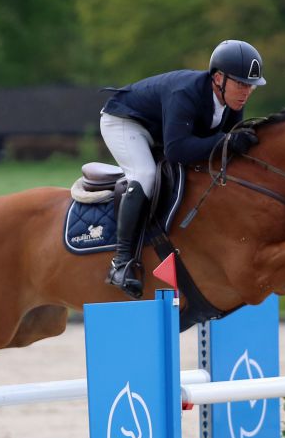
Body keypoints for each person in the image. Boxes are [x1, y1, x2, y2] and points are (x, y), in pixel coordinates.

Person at [98, 39, 266, 298]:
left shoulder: (231, 104)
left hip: (158, 129)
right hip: (124, 122)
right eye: (241, 84)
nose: (246, 92)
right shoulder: (186, 93)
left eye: (251, 86)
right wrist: (227, 141)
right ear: (219, 78)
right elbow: (177, 151)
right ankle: (121, 263)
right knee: (145, 174)